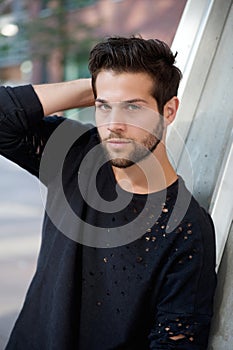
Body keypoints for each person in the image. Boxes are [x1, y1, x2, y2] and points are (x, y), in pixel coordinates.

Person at [0, 36, 216, 349]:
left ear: (168, 111)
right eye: (104, 107)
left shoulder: (187, 228)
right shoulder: (74, 153)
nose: (114, 125)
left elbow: (176, 342)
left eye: (133, 107)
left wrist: (110, 92)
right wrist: (98, 88)